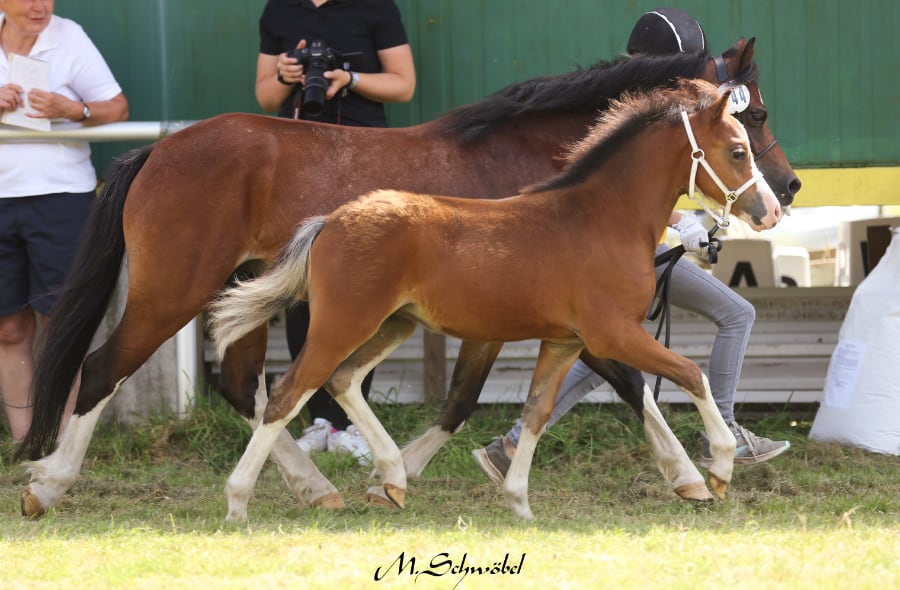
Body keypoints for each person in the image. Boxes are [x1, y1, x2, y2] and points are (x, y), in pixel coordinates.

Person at [471, 7, 790, 484]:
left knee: (607, 348)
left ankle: (511, 446)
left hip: (639, 246)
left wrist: (692, 221)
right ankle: (723, 431)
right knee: (721, 318)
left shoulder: (653, 115)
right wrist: (684, 226)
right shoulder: (632, 118)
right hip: (618, 253)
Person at [255, 0, 415, 464]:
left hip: (365, 159)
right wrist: (286, 77)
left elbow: (403, 84)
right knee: (301, 285)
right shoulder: (280, 10)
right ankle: (317, 421)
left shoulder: (375, 7)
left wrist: (351, 80)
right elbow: (265, 98)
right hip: (299, 164)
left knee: (363, 290)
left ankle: (353, 423)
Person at [0, 0, 129, 442]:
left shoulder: (68, 36)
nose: (39, 6)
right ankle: (24, 441)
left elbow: (116, 107)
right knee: (8, 325)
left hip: (60, 197)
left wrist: (74, 110)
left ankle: (61, 443)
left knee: (62, 321)